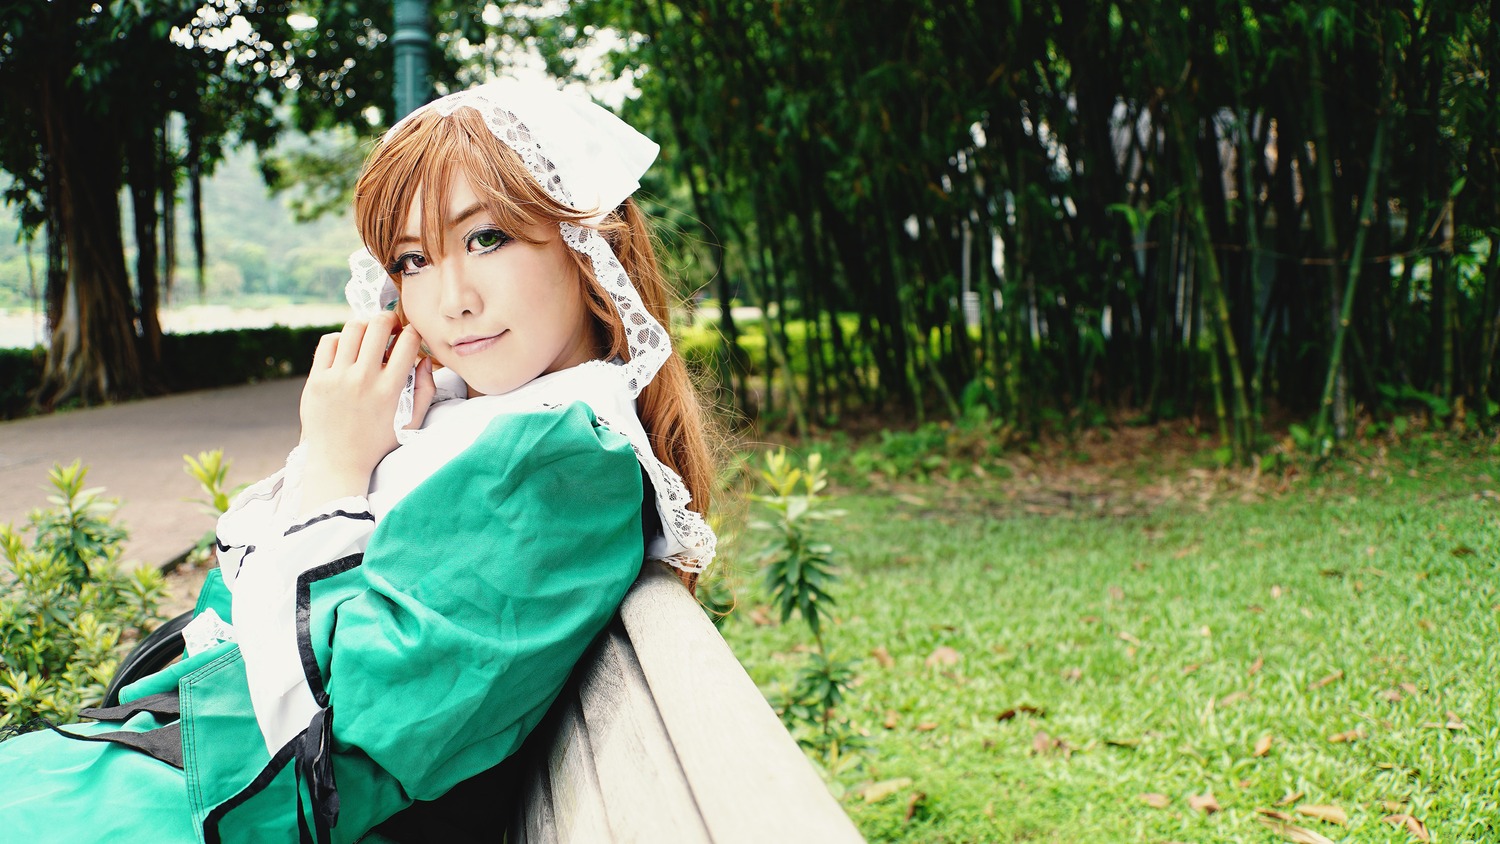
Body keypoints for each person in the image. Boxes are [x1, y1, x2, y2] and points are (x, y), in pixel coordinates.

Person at [0, 79, 717, 842]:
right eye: (413, 259)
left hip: (233, 806)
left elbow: (344, 736)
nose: (452, 299)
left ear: (589, 243)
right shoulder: (477, 421)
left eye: (487, 238)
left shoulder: (557, 460)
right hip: (186, 768)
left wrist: (337, 472)